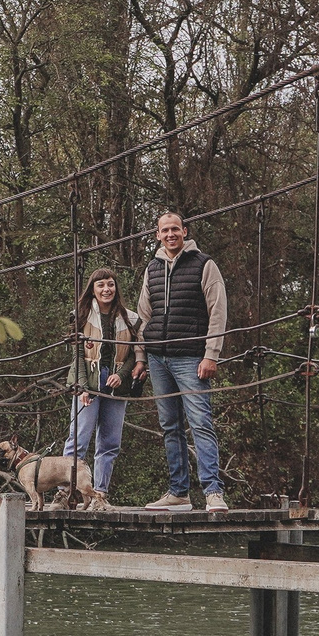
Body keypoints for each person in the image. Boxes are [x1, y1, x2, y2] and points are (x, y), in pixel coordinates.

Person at [135, 211, 229, 511]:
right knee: (169, 425)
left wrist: (210, 355)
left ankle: (213, 491)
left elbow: (218, 312)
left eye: (175, 229)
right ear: (157, 235)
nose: (170, 234)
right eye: (165, 230)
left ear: (185, 231)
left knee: (200, 422)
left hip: (192, 357)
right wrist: (141, 356)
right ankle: (179, 492)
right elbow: (144, 316)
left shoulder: (204, 264)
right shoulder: (152, 268)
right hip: (158, 359)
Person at [63, 265, 142, 497]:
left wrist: (122, 374)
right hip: (88, 379)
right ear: (93, 289)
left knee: (110, 442)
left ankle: (100, 492)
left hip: (116, 382)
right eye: (101, 285)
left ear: (116, 288)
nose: (106, 289)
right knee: (78, 438)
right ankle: (66, 491)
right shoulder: (80, 314)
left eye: (110, 284)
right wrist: (82, 387)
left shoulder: (130, 318)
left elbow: (133, 354)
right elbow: (76, 356)